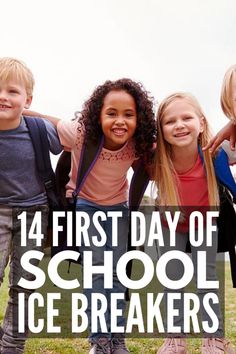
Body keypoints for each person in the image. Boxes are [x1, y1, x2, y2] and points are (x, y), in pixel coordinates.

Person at [25, 78, 156, 354]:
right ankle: (100, 340)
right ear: (98, 115)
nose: (120, 121)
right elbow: (44, 119)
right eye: (111, 113)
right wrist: (15, 110)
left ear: (138, 118)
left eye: (128, 115)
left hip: (118, 209)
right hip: (86, 206)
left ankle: (117, 338)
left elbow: (163, 157)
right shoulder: (81, 133)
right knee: (98, 274)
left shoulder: (137, 143)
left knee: (118, 276)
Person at [152, 92, 236, 354]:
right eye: (170, 121)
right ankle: (175, 339)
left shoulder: (216, 153)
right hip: (170, 223)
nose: (179, 125)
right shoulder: (155, 157)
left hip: (204, 222)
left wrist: (232, 124)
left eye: (186, 118)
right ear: (161, 130)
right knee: (172, 280)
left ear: (201, 122)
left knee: (207, 280)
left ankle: (214, 339)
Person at [0, 57, 62, 353]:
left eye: (12, 91)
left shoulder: (38, 129)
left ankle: (12, 345)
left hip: (34, 212)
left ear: (28, 98)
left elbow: (74, 136)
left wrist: (31, 113)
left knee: (24, 284)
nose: (3, 96)